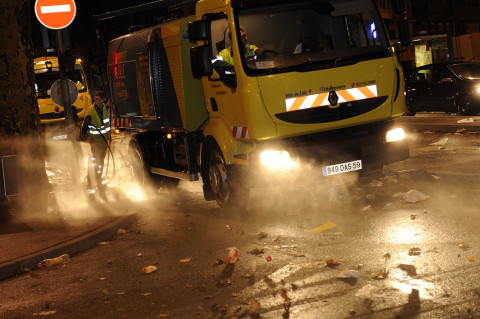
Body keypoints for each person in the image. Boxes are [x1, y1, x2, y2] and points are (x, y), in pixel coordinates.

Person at [81, 91, 112, 198]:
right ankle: (97, 183)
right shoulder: (90, 112)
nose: (97, 101)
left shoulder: (104, 107)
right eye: (95, 99)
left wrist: (109, 138)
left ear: (103, 99)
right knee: (98, 162)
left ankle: (90, 180)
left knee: (99, 162)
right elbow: (83, 130)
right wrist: (88, 137)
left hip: (104, 141)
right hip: (96, 142)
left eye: (99, 99)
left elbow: (106, 124)